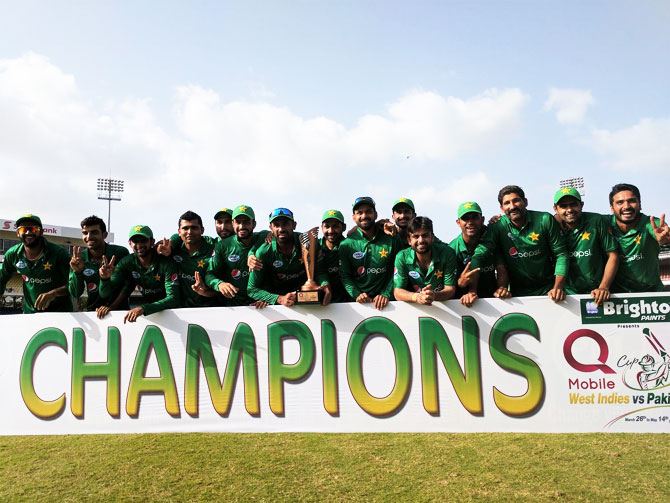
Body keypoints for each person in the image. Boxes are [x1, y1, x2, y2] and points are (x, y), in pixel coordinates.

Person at [466, 185, 569, 305]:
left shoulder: (545, 219)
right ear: (501, 208)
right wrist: (472, 290)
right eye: (507, 203)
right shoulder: (498, 226)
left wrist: (558, 287)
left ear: (525, 202)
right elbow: (480, 253)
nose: (512, 206)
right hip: (517, 296)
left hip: (549, 292)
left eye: (516, 201)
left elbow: (561, 254)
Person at [248, 208, 330, 306]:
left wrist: (325, 284)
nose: (281, 229)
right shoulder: (263, 252)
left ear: (294, 225)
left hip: (308, 302)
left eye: (285, 223)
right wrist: (279, 299)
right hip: (279, 306)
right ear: (271, 228)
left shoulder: (308, 242)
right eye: (276, 225)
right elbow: (252, 289)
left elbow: (320, 272)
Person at [99, 225, 180, 323]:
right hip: (153, 314)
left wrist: (143, 308)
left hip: (175, 314)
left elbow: (174, 299)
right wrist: (104, 279)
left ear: (152, 242)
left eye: (143, 241)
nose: (139, 245)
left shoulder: (166, 262)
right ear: (130, 243)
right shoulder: (127, 262)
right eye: (135, 241)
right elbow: (106, 294)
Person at [553, 188, 619, 305]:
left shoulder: (596, 221)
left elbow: (613, 255)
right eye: (563, 206)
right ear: (555, 209)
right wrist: (557, 288)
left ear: (581, 205)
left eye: (573, 204)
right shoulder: (553, 225)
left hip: (597, 292)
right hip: (567, 296)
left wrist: (603, 287)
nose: (569, 210)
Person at [339, 197, 404, 310]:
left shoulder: (392, 238)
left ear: (376, 214)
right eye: (359, 213)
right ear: (354, 217)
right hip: (358, 305)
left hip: (390, 305)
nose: (364, 216)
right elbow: (345, 276)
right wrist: (357, 294)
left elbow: (399, 271)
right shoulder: (346, 244)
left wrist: (386, 294)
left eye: (368, 211)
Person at [0, 214, 72, 313]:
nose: (28, 232)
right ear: (17, 233)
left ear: (41, 232)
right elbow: (1, 278)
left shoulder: (59, 253)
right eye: (23, 229)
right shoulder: (13, 254)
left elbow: (74, 286)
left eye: (33, 229)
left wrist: (53, 294)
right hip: (31, 314)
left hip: (60, 313)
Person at [608, 183, 670, 292]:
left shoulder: (651, 224)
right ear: (612, 208)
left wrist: (666, 241)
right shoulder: (603, 224)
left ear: (640, 204)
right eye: (620, 202)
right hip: (616, 298)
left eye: (632, 201)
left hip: (651, 295)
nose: (626, 206)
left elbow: (662, 234)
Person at [205, 205, 270, 307]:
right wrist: (219, 284)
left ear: (254, 224)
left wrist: (267, 298)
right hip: (236, 308)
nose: (242, 226)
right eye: (238, 222)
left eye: (246, 222)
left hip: (264, 306)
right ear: (233, 224)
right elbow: (209, 274)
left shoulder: (265, 239)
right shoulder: (222, 246)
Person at [69, 215, 130, 314]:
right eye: (85, 233)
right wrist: (77, 272)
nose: (89, 237)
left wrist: (111, 308)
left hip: (120, 312)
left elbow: (129, 285)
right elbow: (75, 293)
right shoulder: (79, 258)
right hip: (94, 314)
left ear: (104, 235)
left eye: (94, 232)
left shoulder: (120, 253)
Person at [448, 202, 509, 300]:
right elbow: (448, 285)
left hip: (493, 299)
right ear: (458, 222)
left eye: (474, 217)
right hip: (464, 302)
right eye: (465, 218)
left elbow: (501, 268)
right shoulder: (452, 249)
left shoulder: (492, 238)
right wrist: (460, 283)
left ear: (482, 220)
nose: (470, 222)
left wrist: (502, 288)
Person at [393, 217, 457, 304]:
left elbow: (450, 290)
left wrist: (433, 296)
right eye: (416, 236)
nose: (421, 240)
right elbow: (398, 292)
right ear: (409, 240)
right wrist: (417, 297)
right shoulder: (402, 257)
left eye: (425, 235)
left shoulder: (447, 253)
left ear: (432, 237)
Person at [170, 211, 219, 307]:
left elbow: (220, 290)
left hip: (212, 310)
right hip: (180, 313)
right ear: (179, 232)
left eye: (194, 228)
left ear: (202, 230)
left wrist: (204, 292)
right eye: (185, 228)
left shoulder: (214, 248)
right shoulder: (173, 249)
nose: (189, 232)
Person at [317, 209, 351, 303]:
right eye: (327, 226)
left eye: (335, 226)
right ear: (321, 228)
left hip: (349, 302)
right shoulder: (315, 246)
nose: (331, 231)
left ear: (344, 227)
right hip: (323, 302)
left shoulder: (350, 245)